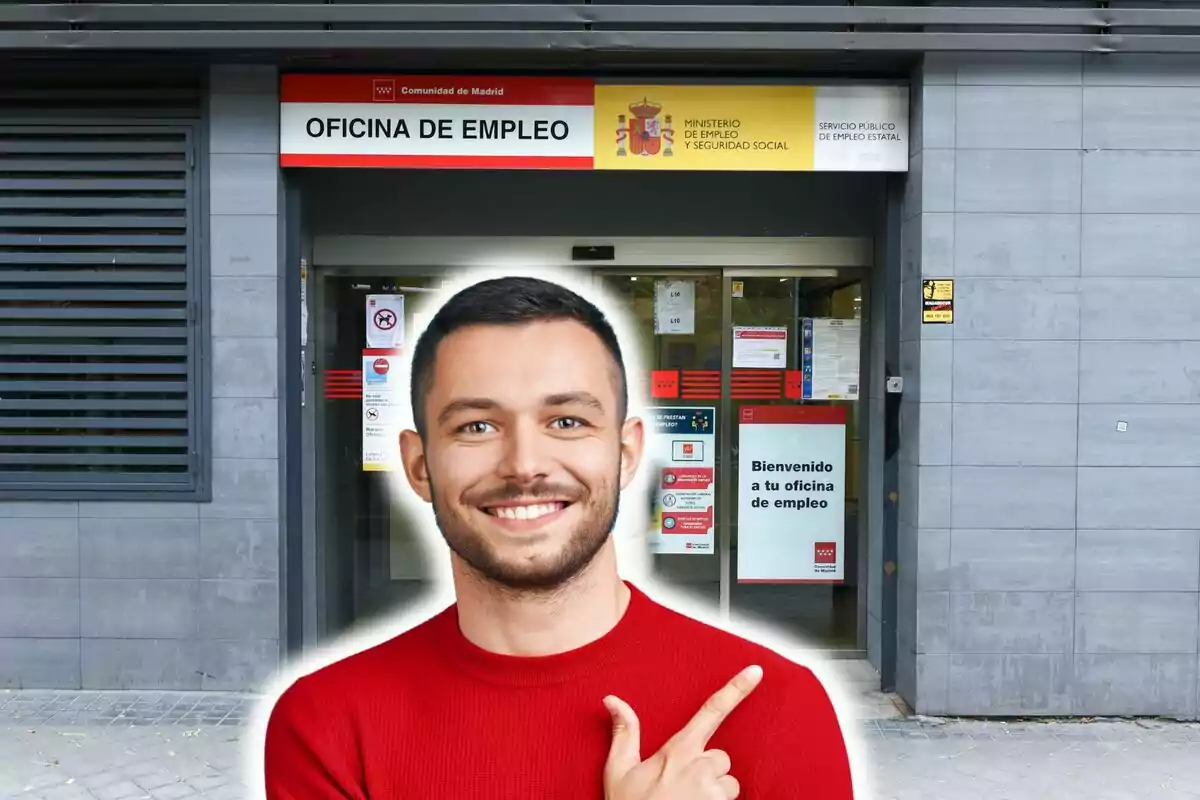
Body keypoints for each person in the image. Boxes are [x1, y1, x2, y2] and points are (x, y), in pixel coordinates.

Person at [264, 275, 855, 799]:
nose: (524, 465)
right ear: (420, 467)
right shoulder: (327, 724)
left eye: (566, 421)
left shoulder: (777, 707)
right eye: (477, 425)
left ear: (625, 455)